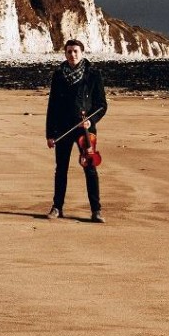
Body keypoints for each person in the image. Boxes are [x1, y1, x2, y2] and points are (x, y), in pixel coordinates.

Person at [45, 39, 108, 222]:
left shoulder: (94, 74)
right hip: (62, 128)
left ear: (82, 53)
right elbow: (53, 106)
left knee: (90, 168)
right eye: (69, 51)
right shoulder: (58, 75)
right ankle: (57, 207)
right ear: (65, 53)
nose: (72, 55)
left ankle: (96, 210)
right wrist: (50, 134)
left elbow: (101, 105)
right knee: (61, 170)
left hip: (85, 131)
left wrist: (91, 120)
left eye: (76, 51)